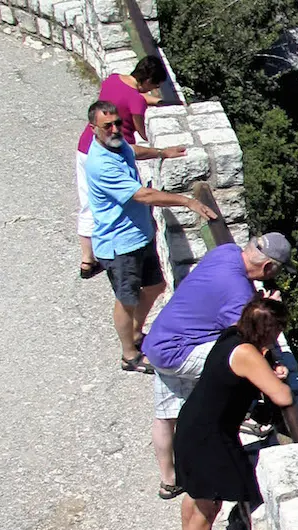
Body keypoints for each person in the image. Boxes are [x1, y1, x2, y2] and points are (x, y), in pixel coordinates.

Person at [143, 234, 292, 500]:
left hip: (160, 342)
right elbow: (251, 338)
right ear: (268, 268)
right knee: (237, 368)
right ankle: (247, 417)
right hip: (181, 352)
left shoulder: (225, 252)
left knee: (165, 415)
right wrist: (269, 312)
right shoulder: (238, 294)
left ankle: (169, 480)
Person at [83, 100, 215, 374]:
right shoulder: (100, 164)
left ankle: (134, 332)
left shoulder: (117, 147)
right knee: (126, 299)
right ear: (93, 128)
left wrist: (161, 152)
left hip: (139, 236)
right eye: (108, 125)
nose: (116, 128)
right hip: (119, 244)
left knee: (155, 286)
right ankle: (129, 355)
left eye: (118, 122)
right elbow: (142, 195)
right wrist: (187, 202)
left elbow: (133, 150)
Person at [172, 296, 293, 530]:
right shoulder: (247, 354)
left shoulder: (232, 334)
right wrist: (281, 376)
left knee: (194, 492)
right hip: (211, 436)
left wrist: (267, 365)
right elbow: (283, 397)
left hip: (193, 424)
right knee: (207, 503)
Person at [74, 56, 175, 279]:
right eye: (154, 85)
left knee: (88, 204)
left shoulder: (112, 81)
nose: (154, 90)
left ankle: (86, 260)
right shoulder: (137, 101)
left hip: (86, 148)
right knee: (124, 204)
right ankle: (115, 255)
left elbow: (124, 98)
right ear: (147, 80)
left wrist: (149, 100)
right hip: (116, 153)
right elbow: (142, 131)